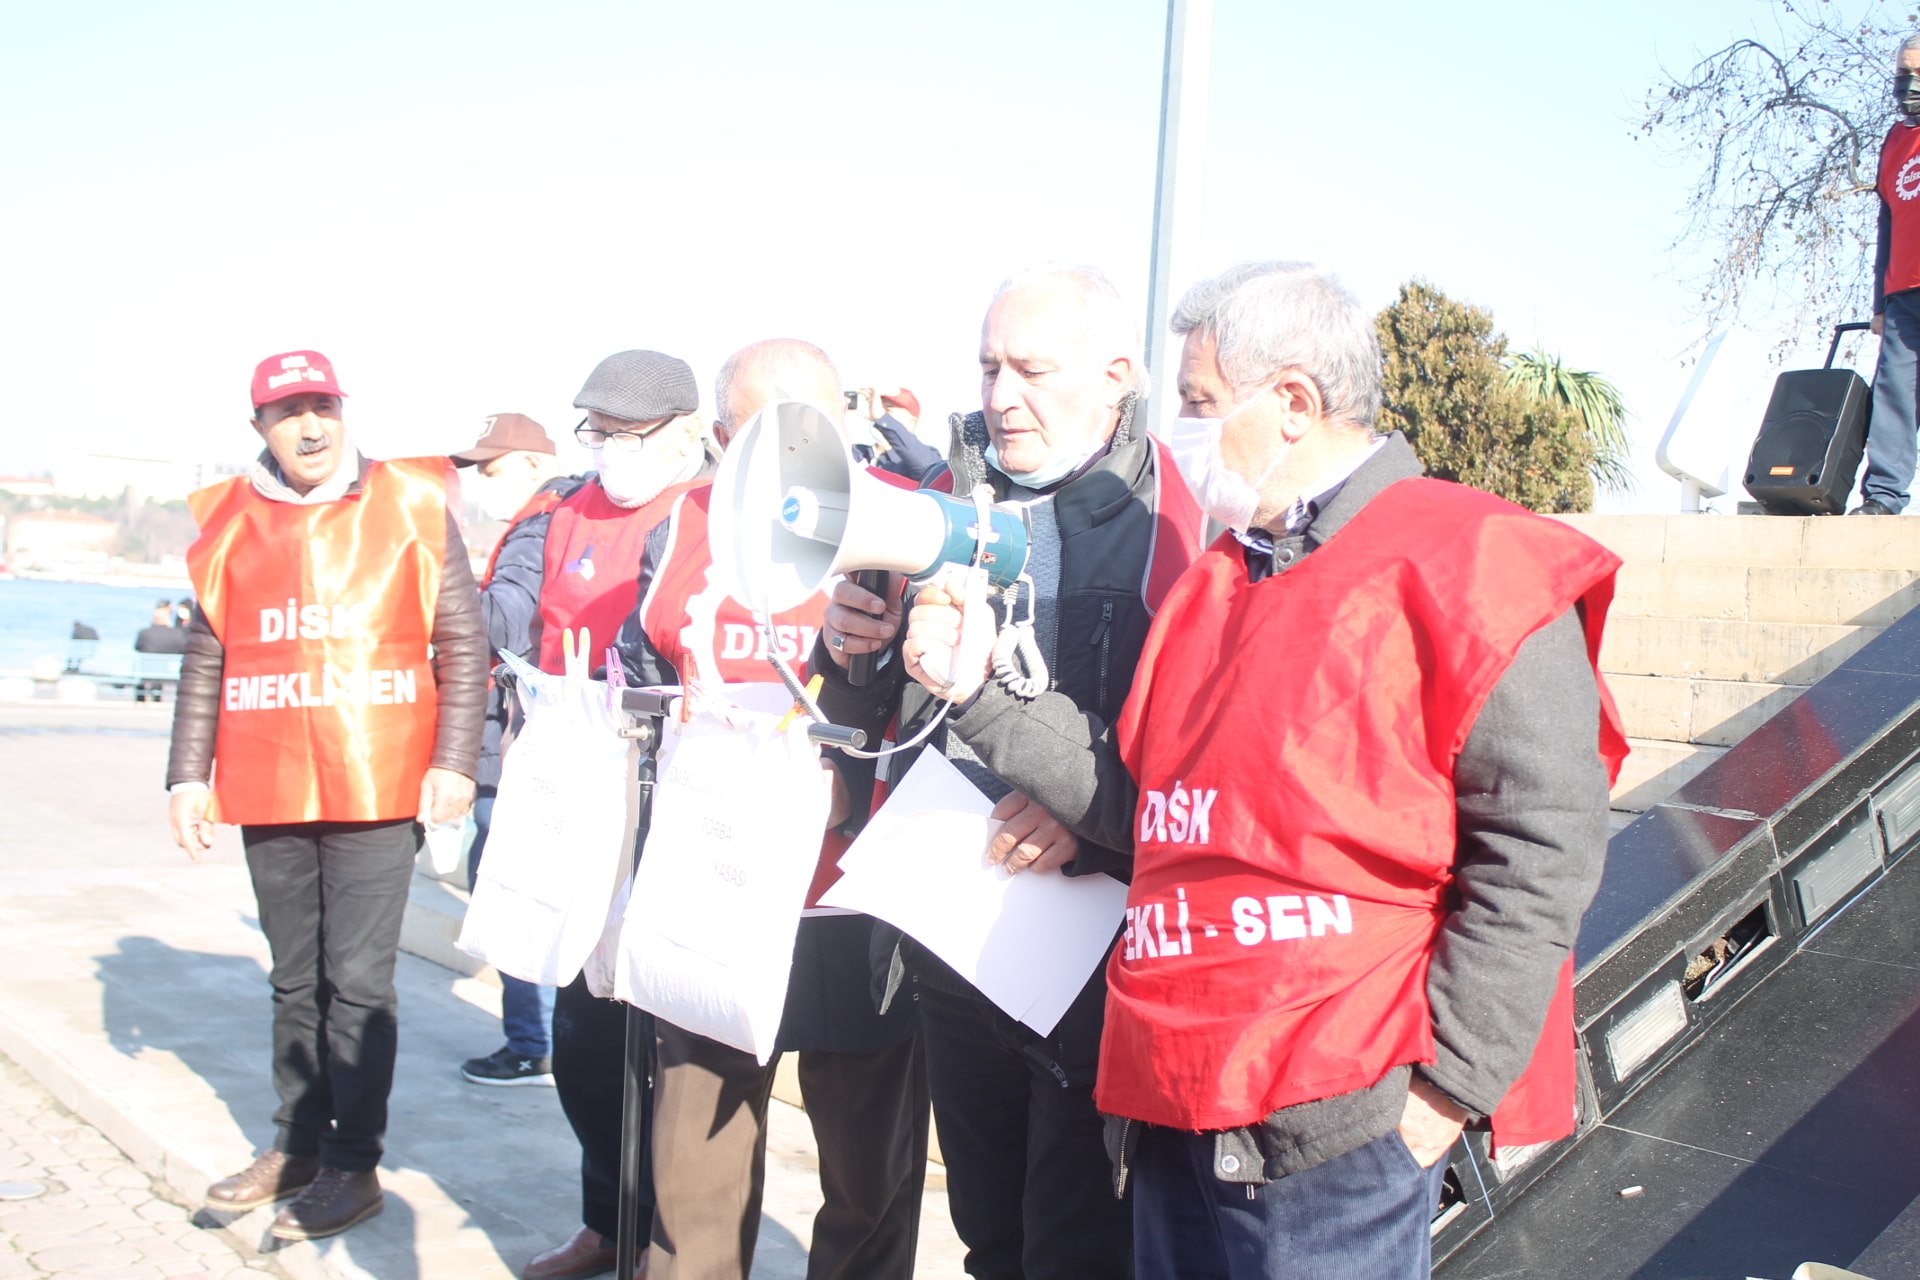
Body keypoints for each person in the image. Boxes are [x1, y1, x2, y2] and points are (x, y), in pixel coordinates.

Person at [902, 261, 1626, 1279]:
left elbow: (1541, 848)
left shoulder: (1476, 563)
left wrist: (1445, 1088)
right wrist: (979, 690)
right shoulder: (1216, 586)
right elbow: (1139, 801)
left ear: (1292, 402)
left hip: (1337, 1126)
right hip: (1176, 1098)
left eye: (1199, 402)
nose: (1180, 430)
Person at [816, 264, 1204, 1280]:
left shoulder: (1177, 520)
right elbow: (870, 715)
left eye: (1033, 370)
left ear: (1117, 376)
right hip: (953, 932)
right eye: (989, 368)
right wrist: (850, 652)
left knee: (1079, 1246)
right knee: (990, 1234)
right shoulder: (942, 498)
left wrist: (1090, 826)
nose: (1001, 396)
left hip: (1093, 955)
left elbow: (1192, 758)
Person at [615, 339, 929, 1280]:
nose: (796, 451)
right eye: (766, 430)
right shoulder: (682, 523)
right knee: (692, 1183)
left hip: (855, 901)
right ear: (721, 436)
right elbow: (642, 672)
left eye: (815, 425)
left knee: (870, 1187)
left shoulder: (903, 521)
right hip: (713, 889)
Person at [165, 349, 488, 1241]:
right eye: (289, 412)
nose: (310, 427)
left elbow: (463, 643)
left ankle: (353, 1164)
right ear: (260, 426)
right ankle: (296, 1145)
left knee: (358, 982)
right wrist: (188, 776)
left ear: (344, 411)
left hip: (379, 782)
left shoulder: (412, 501)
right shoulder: (229, 521)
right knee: (293, 976)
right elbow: (207, 657)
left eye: (324, 407)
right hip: (267, 776)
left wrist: (454, 761)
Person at [520, 350, 717, 1280]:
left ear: (685, 432)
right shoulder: (570, 512)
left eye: (627, 434)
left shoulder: (713, 513)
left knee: (671, 1058)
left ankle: (662, 1239)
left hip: (678, 807)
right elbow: (539, 633)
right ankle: (606, 1217)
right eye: (596, 432)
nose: (607, 450)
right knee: (583, 1042)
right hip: (581, 802)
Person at [450, 413, 581, 1086]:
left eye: (492, 469)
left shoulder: (539, 523)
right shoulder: (567, 514)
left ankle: (535, 1043)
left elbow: (501, 622)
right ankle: (540, 1039)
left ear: (533, 463)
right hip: (528, 737)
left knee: (508, 887)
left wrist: (443, 591)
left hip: (520, 740)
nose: (483, 484)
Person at [1861, 32, 1920, 514]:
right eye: (1903, 72)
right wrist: (1879, 303)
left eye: (1918, 73)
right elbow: (1887, 223)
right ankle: (1882, 497)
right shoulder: (1895, 141)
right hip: (1903, 296)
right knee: (1894, 397)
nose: (1909, 83)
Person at [846, 386, 943, 482]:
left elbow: (929, 468)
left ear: (911, 422)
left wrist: (882, 418)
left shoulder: (914, 460)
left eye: (887, 410)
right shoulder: (858, 451)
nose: (877, 411)